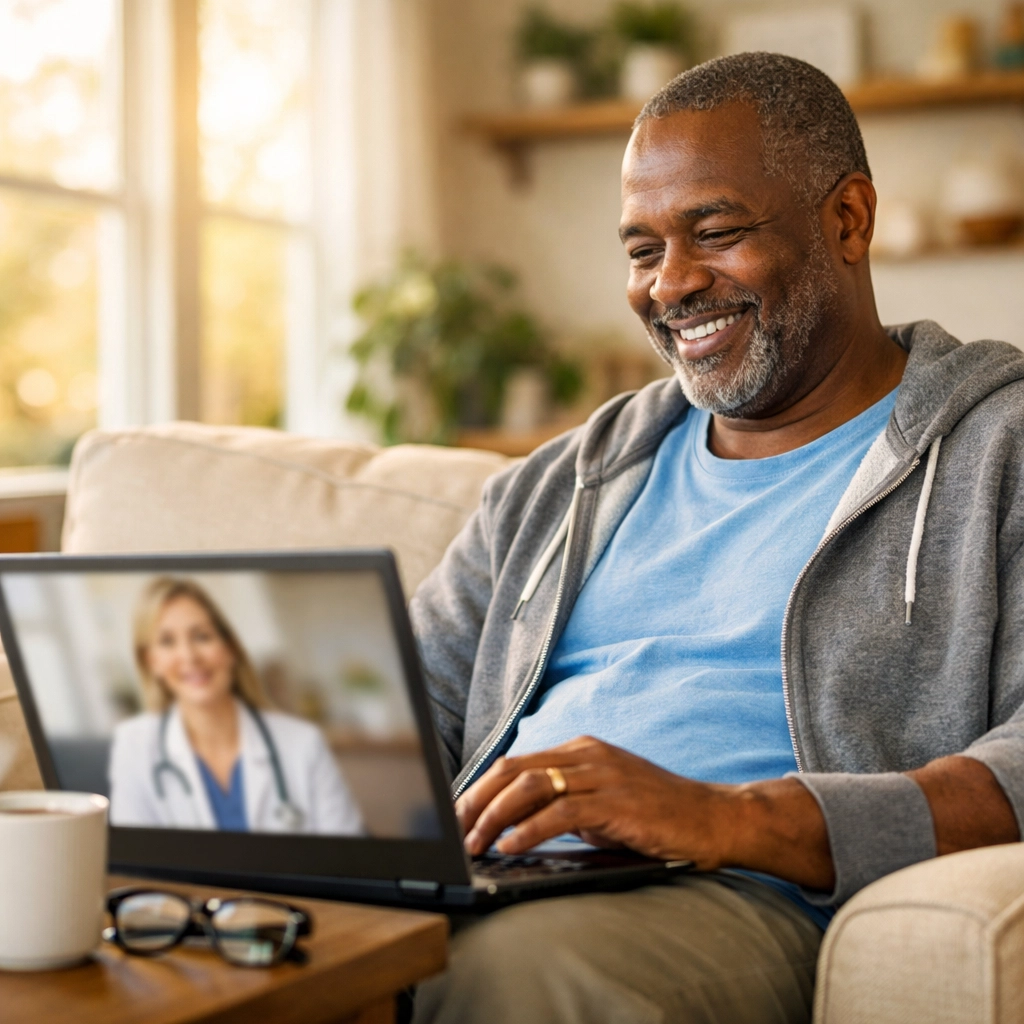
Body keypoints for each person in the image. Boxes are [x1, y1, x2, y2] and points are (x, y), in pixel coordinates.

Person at [408, 52, 1024, 1024]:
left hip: (743, 896)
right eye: (642, 250)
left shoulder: (1000, 445)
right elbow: (397, 708)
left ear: (848, 220)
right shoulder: (561, 482)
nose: (672, 285)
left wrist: (730, 818)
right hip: (498, 881)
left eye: (716, 232)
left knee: (490, 973)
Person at [109, 576, 364, 835]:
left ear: (229, 647)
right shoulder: (133, 746)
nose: (189, 656)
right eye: (167, 641)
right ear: (151, 661)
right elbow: (136, 867)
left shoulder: (303, 744)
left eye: (202, 637)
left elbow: (351, 861)